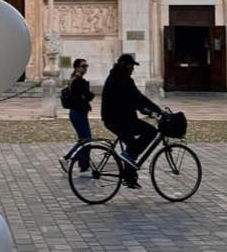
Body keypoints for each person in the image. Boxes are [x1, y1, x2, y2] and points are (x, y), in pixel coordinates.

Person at [101, 53, 161, 188]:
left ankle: (129, 177)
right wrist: (157, 110)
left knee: (133, 145)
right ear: (125, 66)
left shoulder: (119, 77)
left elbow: (131, 98)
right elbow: (137, 97)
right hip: (118, 119)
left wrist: (143, 109)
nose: (133, 69)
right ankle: (129, 164)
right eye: (131, 66)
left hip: (120, 118)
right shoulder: (121, 79)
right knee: (149, 133)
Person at [60, 58, 95, 173]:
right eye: (83, 66)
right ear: (76, 67)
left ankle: (83, 165)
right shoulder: (78, 81)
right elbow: (89, 95)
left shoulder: (74, 80)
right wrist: (88, 94)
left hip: (77, 113)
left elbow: (86, 96)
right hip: (78, 113)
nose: (85, 68)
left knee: (84, 140)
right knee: (86, 140)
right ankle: (69, 159)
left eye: (86, 66)